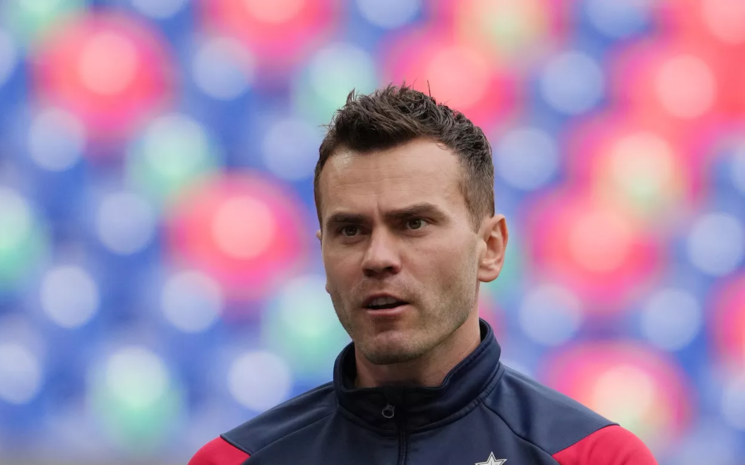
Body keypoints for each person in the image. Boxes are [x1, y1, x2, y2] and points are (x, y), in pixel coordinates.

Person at [189, 84, 657, 465]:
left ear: (491, 249)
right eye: (350, 230)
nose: (378, 258)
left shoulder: (596, 457)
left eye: (413, 224)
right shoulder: (231, 461)